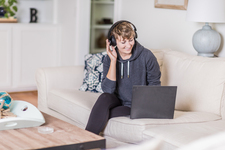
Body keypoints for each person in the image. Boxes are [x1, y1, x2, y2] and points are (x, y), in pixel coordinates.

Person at [85, 20, 161, 135]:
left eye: (131, 40)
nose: (128, 45)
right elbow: (108, 90)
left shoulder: (147, 56)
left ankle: (87, 141)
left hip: (134, 105)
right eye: (123, 42)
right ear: (113, 42)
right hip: (116, 100)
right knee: (104, 97)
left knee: (100, 114)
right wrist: (113, 61)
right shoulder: (108, 59)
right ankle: (85, 141)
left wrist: (145, 107)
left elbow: (155, 86)